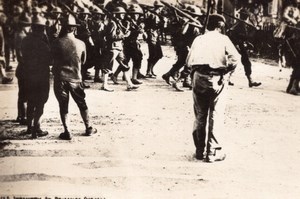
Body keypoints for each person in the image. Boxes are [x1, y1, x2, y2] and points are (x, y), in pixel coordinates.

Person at [186, 14, 240, 162]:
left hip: (198, 76)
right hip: (217, 77)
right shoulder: (223, 39)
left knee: (200, 115)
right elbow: (236, 58)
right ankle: (212, 152)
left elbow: (188, 61)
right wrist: (227, 71)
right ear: (220, 26)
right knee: (215, 114)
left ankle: (199, 150)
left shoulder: (199, 39)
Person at [51, 14, 97, 140]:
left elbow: (52, 60)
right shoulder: (81, 43)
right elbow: (83, 61)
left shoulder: (55, 43)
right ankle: (88, 127)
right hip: (76, 78)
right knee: (82, 103)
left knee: (63, 105)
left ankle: (67, 131)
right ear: (74, 29)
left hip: (60, 78)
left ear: (63, 28)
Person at [21, 15, 51, 139]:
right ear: (42, 29)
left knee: (30, 101)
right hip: (41, 76)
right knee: (40, 103)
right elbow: (50, 60)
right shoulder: (43, 45)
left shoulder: (25, 40)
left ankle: (29, 127)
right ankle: (36, 128)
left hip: (28, 75)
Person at [100, 6, 139, 92]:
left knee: (125, 65)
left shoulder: (118, 23)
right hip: (113, 47)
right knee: (108, 66)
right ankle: (104, 85)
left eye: (123, 14)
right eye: (120, 14)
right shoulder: (112, 24)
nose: (122, 15)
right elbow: (110, 36)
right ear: (116, 15)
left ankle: (129, 84)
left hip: (119, 47)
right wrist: (124, 36)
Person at [228, 8, 261, 88]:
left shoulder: (242, 24)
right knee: (234, 62)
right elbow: (233, 34)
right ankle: (227, 78)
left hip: (241, 45)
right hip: (236, 45)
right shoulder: (240, 24)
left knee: (246, 62)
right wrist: (254, 30)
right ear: (246, 17)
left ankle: (250, 81)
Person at [14, 12, 31, 125]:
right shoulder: (22, 37)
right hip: (25, 68)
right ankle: (24, 117)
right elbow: (21, 56)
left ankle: (20, 115)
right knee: (25, 94)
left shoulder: (19, 34)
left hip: (21, 69)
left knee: (22, 93)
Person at [282, 0, 300, 95]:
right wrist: (293, 21)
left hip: (297, 33)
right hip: (291, 36)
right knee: (298, 63)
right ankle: (293, 86)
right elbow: (284, 16)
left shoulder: (297, 10)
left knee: (298, 64)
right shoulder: (289, 8)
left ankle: (292, 86)